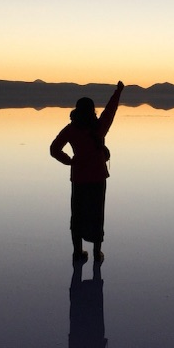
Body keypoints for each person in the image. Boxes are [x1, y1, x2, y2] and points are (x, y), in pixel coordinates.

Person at [50, 81, 124, 264]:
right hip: (98, 178)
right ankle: (97, 253)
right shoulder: (98, 128)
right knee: (97, 214)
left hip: (79, 178)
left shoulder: (71, 129)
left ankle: (78, 252)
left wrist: (71, 161)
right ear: (92, 111)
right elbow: (110, 111)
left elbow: (54, 149)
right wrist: (118, 92)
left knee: (78, 215)